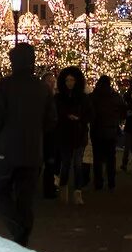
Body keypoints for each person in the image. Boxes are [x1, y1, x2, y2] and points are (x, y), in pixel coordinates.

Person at [0, 44, 57, 247]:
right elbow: (51, 120)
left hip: (7, 150)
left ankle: (19, 230)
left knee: (0, 191)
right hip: (33, 150)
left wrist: (1, 136)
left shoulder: (6, 86)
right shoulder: (42, 88)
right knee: (25, 197)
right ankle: (22, 236)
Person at [54, 66, 91, 205]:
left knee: (77, 164)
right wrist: (66, 117)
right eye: (67, 80)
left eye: (72, 80)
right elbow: (55, 114)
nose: (70, 83)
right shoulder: (58, 98)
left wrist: (79, 118)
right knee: (66, 163)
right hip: (64, 135)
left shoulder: (83, 98)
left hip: (79, 134)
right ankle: (64, 190)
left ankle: (77, 192)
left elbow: (90, 114)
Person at [89, 75, 126, 191]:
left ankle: (98, 182)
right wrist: (118, 120)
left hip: (97, 130)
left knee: (97, 158)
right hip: (111, 130)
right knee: (111, 158)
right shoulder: (115, 96)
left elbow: (89, 111)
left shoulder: (93, 96)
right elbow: (123, 110)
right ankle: (111, 182)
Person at [41, 72, 60, 199]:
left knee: (51, 164)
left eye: (53, 81)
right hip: (44, 134)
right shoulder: (42, 97)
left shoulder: (55, 97)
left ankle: (49, 188)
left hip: (51, 135)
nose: (52, 83)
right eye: (49, 81)